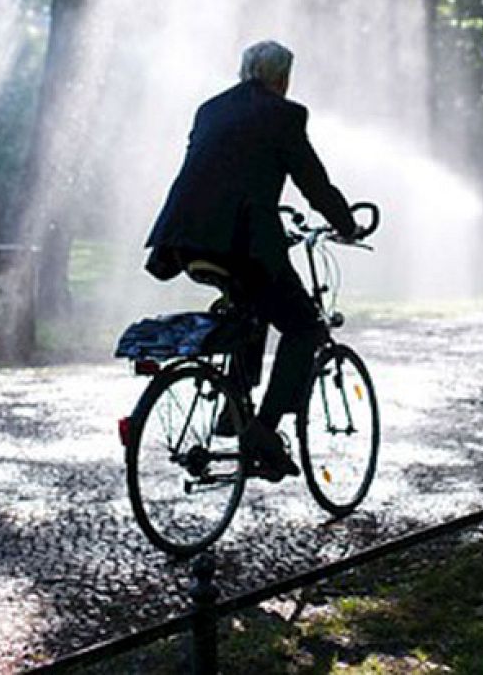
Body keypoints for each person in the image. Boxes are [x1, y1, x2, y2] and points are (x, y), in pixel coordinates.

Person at [144, 40, 359, 481]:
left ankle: (232, 409)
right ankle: (262, 430)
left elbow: (217, 172)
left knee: (251, 309)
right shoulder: (285, 114)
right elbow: (313, 183)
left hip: (184, 240)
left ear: (244, 73)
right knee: (305, 327)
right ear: (281, 79)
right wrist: (348, 224)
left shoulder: (210, 108)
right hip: (241, 244)